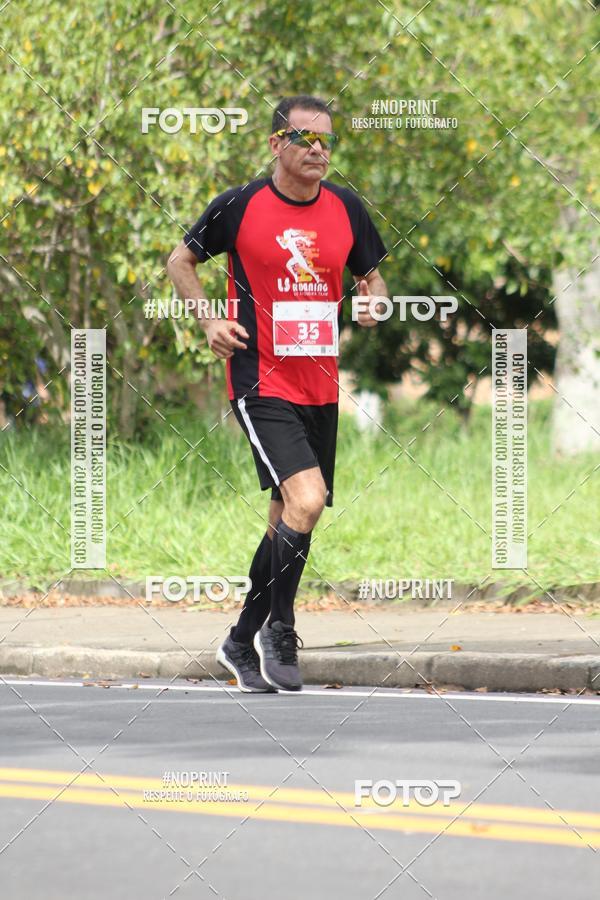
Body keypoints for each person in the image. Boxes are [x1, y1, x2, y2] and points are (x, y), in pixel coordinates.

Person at [167, 94, 388, 693]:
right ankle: (279, 628)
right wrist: (210, 320)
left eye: (327, 141)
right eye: (306, 139)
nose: (319, 151)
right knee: (308, 500)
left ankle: (239, 640)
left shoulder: (346, 208)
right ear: (276, 144)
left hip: (319, 383)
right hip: (260, 379)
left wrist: (373, 300)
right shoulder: (239, 206)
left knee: (289, 515)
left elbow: (373, 277)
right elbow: (180, 262)